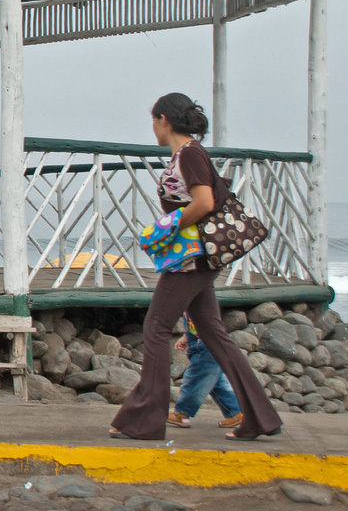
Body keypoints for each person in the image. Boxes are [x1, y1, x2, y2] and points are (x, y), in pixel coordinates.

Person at [110, 93, 282, 441]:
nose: (153, 128)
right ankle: (260, 418)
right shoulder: (185, 153)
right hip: (197, 257)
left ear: (163, 120)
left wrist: (170, 225)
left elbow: (203, 201)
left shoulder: (189, 153)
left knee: (156, 328)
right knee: (215, 334)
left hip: (193, 258)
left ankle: (144, 421)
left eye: (153, 121)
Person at [168, 313, 243, 430]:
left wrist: (202, 337)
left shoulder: (198, 299)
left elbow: (206, 319)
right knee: (214, 382)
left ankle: (182, 413)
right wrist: (187, 337)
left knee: (195, 379)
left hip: (206, 345)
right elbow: (192, 321)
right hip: (203, 343)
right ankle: (235, 411)